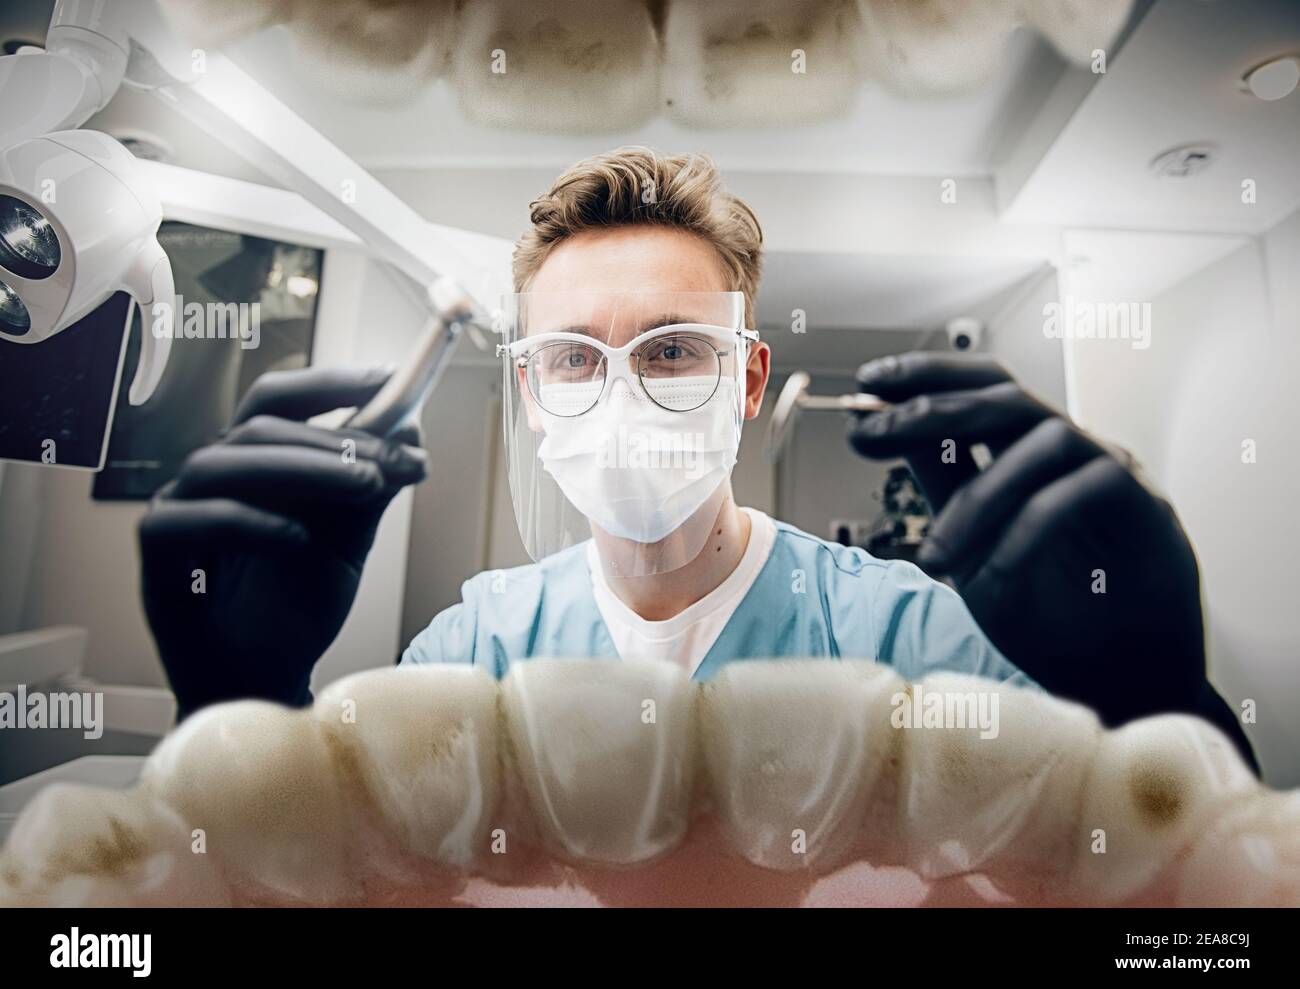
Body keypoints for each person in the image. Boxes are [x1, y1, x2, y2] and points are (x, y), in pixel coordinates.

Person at [138, 147, 1256, 769]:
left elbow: (1192, 934)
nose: (620, 388)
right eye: (574, 357)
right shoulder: (472, 644)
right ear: (530, 391)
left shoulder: (914, 634)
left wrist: (1160, 706)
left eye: (673, 349)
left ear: (752, 377)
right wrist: (237, 712)